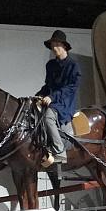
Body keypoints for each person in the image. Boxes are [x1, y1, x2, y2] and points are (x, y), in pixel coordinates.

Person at [36, 30, 81, 168]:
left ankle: (59, 151)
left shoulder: (73, 65)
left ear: (64, 46)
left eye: (56, 44)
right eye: (52, 44)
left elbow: (72, 87)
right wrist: (38, 95)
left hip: (65, 102)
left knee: (48, 116)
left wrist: (52, 97)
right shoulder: (50, 65)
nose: (54, 47)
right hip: (51, 99)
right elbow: (48, 85)